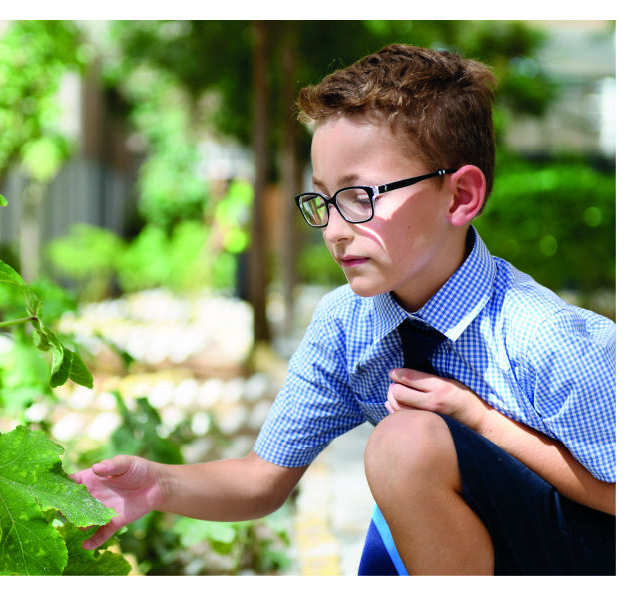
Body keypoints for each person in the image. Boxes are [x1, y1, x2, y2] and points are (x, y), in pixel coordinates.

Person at [72, 43, 615, 575]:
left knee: (405, 445)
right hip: (472, 548)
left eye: (361, 197)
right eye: (323, 200)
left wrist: (482, 420)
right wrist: (160, 485)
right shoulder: (346, 324)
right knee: (399, 480)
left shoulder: (548, 337)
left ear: (460, 196)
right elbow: (264, 479)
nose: (333, 231)